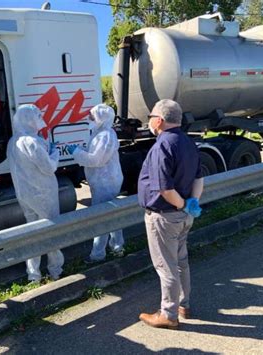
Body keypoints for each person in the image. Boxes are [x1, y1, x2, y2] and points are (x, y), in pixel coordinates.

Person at [137, 99, 204, 330]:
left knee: (166, 266)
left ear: (159, 120)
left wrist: (182, 204)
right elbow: (199, 178)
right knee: (180, 263)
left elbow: (165, 189)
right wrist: (191, 204)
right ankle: (184, 305)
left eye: (151, 118)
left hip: (164, 217)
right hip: (185, 216)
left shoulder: (162, 146)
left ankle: (168, 314)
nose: (150, 123)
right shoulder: (188, 142)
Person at [6, 104, 64, 283]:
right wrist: (54, 152)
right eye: (38, 116)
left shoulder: (13, 141)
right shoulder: (32, 142)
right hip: (44, 194)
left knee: (31, 233)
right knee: (51, 231)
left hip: (25, 195)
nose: (41, 119)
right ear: (28, 119)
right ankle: (55, 271)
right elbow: (48, 167)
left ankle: (34, 275)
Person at [67, 104, 124, 263]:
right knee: (112, 215)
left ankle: (98, 254)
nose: (89, 118)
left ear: (102, 118)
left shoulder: (105, 135)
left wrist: (76, 152)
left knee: (101, 218)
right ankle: (118, 246)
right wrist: (81, 150)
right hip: (104, 180)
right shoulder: (101, 133)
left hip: (106, 182)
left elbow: (95, 160)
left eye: (92, 116)